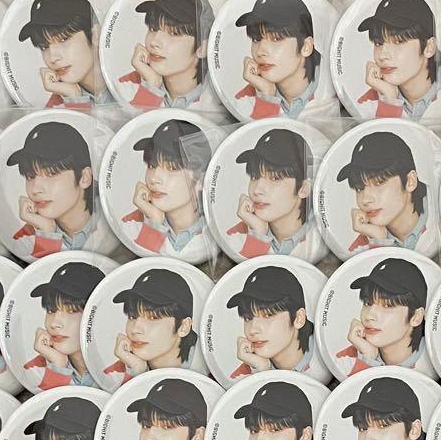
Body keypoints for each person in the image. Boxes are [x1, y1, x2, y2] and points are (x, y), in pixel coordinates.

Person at [7, 121, 103, 257]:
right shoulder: (24, 239)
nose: (35, 189)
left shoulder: (119, 226)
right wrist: (47, 234)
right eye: (30, 176)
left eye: (51, 174)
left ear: (84, 178)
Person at [120, 119, 212, 258]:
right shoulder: (130, 225)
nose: (154, 179)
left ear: (200, 180)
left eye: (172, 168)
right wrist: (154, 222)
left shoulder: (217, 232)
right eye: (152, 165)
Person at [17, 0, 112, 110]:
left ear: (96, 34)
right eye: (44, 46)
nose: (53, 58)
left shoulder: (131, 84)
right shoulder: (57, 104)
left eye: (63, 39)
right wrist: (74, 98)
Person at [336, 130, 431, 253]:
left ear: (410, 181)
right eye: (359, 188)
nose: (365, 200)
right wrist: (380, 242)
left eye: (378, 183)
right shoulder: (363, 246)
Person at [122, 0, 214, 109]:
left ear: (202, 48)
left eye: (174, 33)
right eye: (153, 29)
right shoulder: (127, 85)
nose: (154, 42)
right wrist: (151, 87)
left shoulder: (220, 97)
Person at [235, 0, 323, 120]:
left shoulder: (334, 88)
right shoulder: (245, 98)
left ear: (306, 47)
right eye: (256, 39)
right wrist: (267, 97)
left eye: (276, 39)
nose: (260, 52)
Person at [356, 0, 441, 120]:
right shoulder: (367, 103)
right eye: (378, 43)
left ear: (429, 47)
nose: (383, 56)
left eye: (398, 42)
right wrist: (389, 99)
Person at [335, 257, 430, 376]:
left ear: (416, 317)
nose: (369, 316)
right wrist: (368, 359)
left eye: (387, 305)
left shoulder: (434, 359)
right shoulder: (344, 359)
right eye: (367, 303)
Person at [227, 129, 313, 258]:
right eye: (254, 177)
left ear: (304, 189)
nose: (257, 190)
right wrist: (258, 235)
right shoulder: (236, 235)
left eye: (275, 178)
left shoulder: (322, 237)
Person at [104, 268, 199, 383]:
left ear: (184, 327)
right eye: (132, 316)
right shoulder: (114, 375)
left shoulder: (209, 368)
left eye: (153, 318)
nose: (135, 329)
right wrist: (137, 372)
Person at [24, 261, 105, 390]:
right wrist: (58, 366)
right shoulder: (33, 370)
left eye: (71, 311)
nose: (54, 324)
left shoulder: (122, 367)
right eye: (51, 310)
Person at [225, 264, 317, 377]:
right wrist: (263, 371)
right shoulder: (244, 375)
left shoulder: (327, 355)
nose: (252, 330)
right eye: (248, 318)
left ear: (299, 318)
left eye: (267, 315)